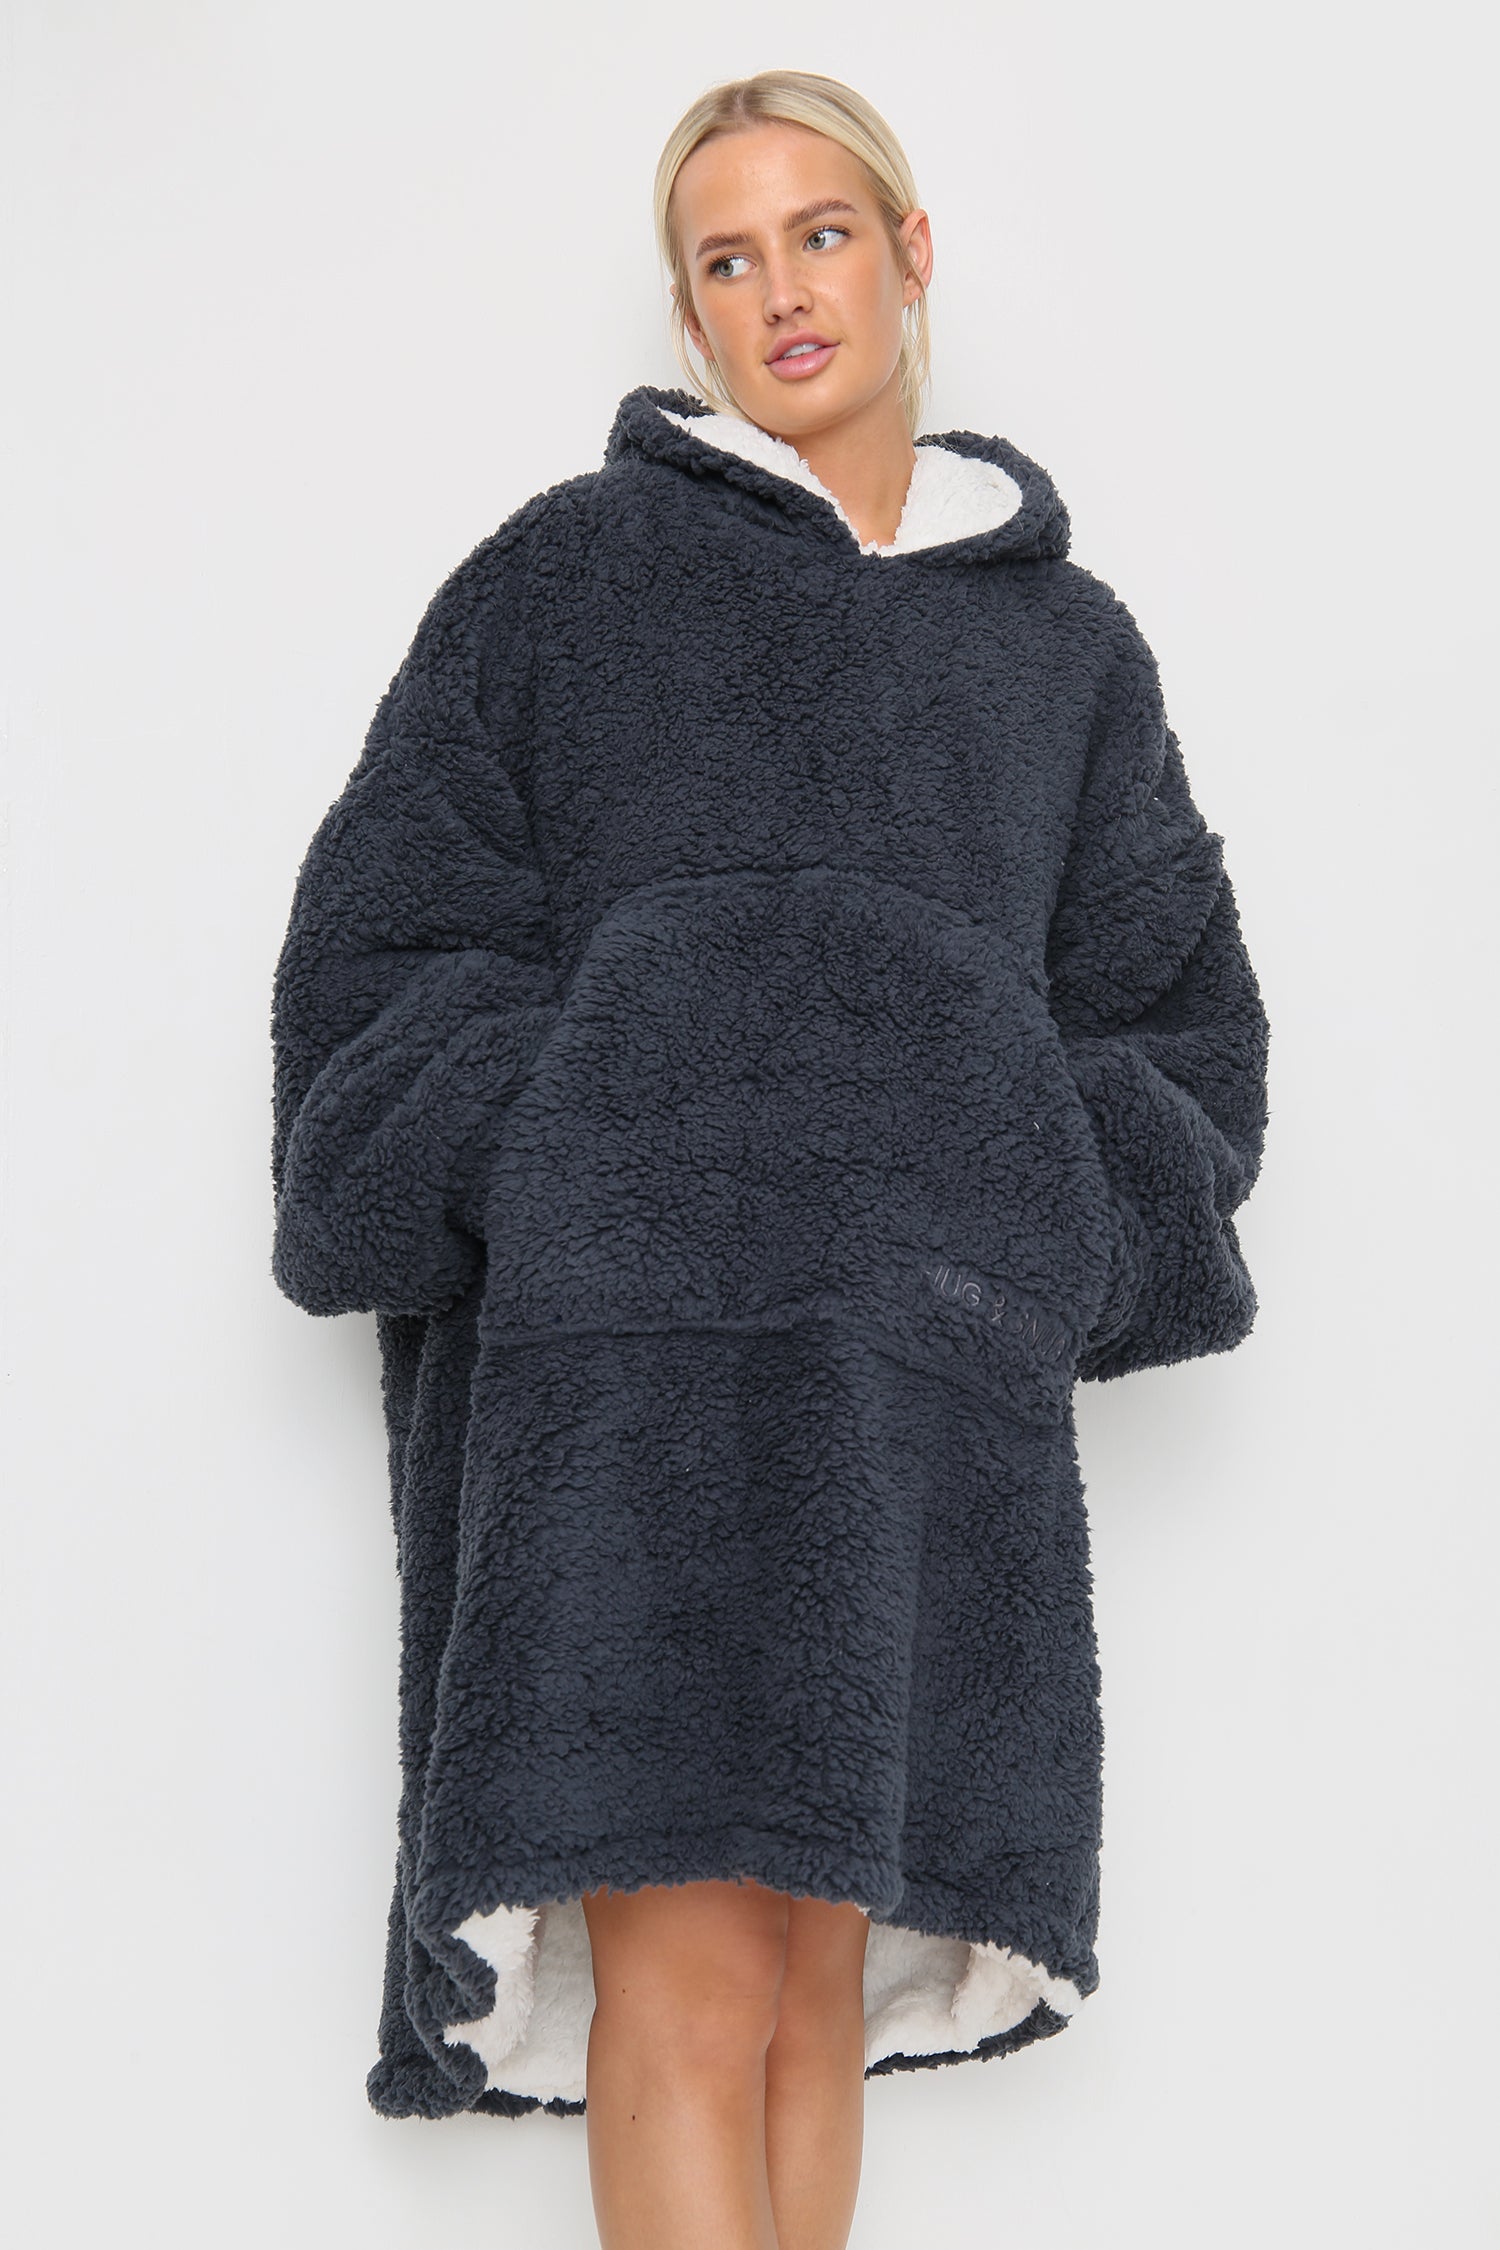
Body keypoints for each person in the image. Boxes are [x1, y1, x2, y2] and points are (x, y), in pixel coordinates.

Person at [269, 66, 1271, 2250]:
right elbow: (373, 972)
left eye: (820, 233)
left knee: (816, 2001)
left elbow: (1179, 1033)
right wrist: (571, 1139)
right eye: (726, 259)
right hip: (625, 1390)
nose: (781, 291)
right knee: (698, 1983)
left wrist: (1033, 1209)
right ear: (689, 310)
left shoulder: (1065, 655)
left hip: (923, 1406)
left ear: (911, 253)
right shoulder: (563, 582)